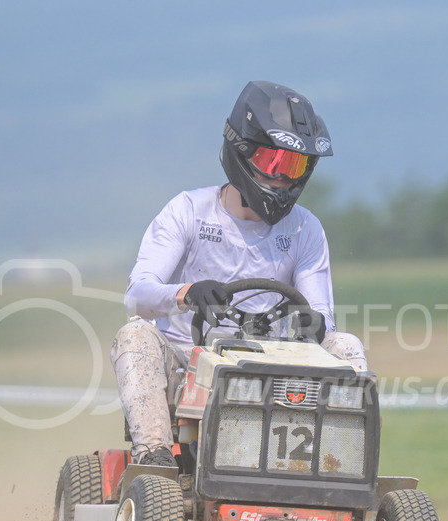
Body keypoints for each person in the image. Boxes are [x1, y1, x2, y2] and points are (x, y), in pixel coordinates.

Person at [110, 80, 367, 468]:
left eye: (294, 167)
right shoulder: (188, 212)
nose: (283, 180)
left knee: (345, 345)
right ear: (242, 152)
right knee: (135, 334)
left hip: (278, 369)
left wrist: (313, 323)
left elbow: (323, 319)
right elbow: (137, 297)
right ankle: (155, 458)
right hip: (187, 365)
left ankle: (341, 464)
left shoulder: (305, 229)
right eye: (274, 164)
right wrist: (188, 293)